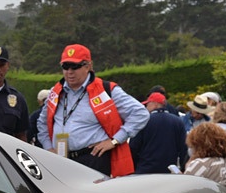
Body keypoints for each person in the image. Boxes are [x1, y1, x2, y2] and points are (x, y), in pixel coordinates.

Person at [37, 44, 148, 177]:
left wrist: (115, 141)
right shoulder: (55, 92)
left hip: (93, 158)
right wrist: (48, 148)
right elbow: (42, 123)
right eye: (65, 66)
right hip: (62, 159)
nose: (69, 71)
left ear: (88, 66)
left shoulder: (106, 90)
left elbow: (140, 113)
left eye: (75, 66)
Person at [130, 92, 188, 174]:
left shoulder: (143, 121)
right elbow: (183, 148)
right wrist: (182, 169)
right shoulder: (178, 121)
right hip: (169, 171)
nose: (146, 107)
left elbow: (133, 146)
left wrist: (135, 167)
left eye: (148, 104)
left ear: (155, 104)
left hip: (145, 170)